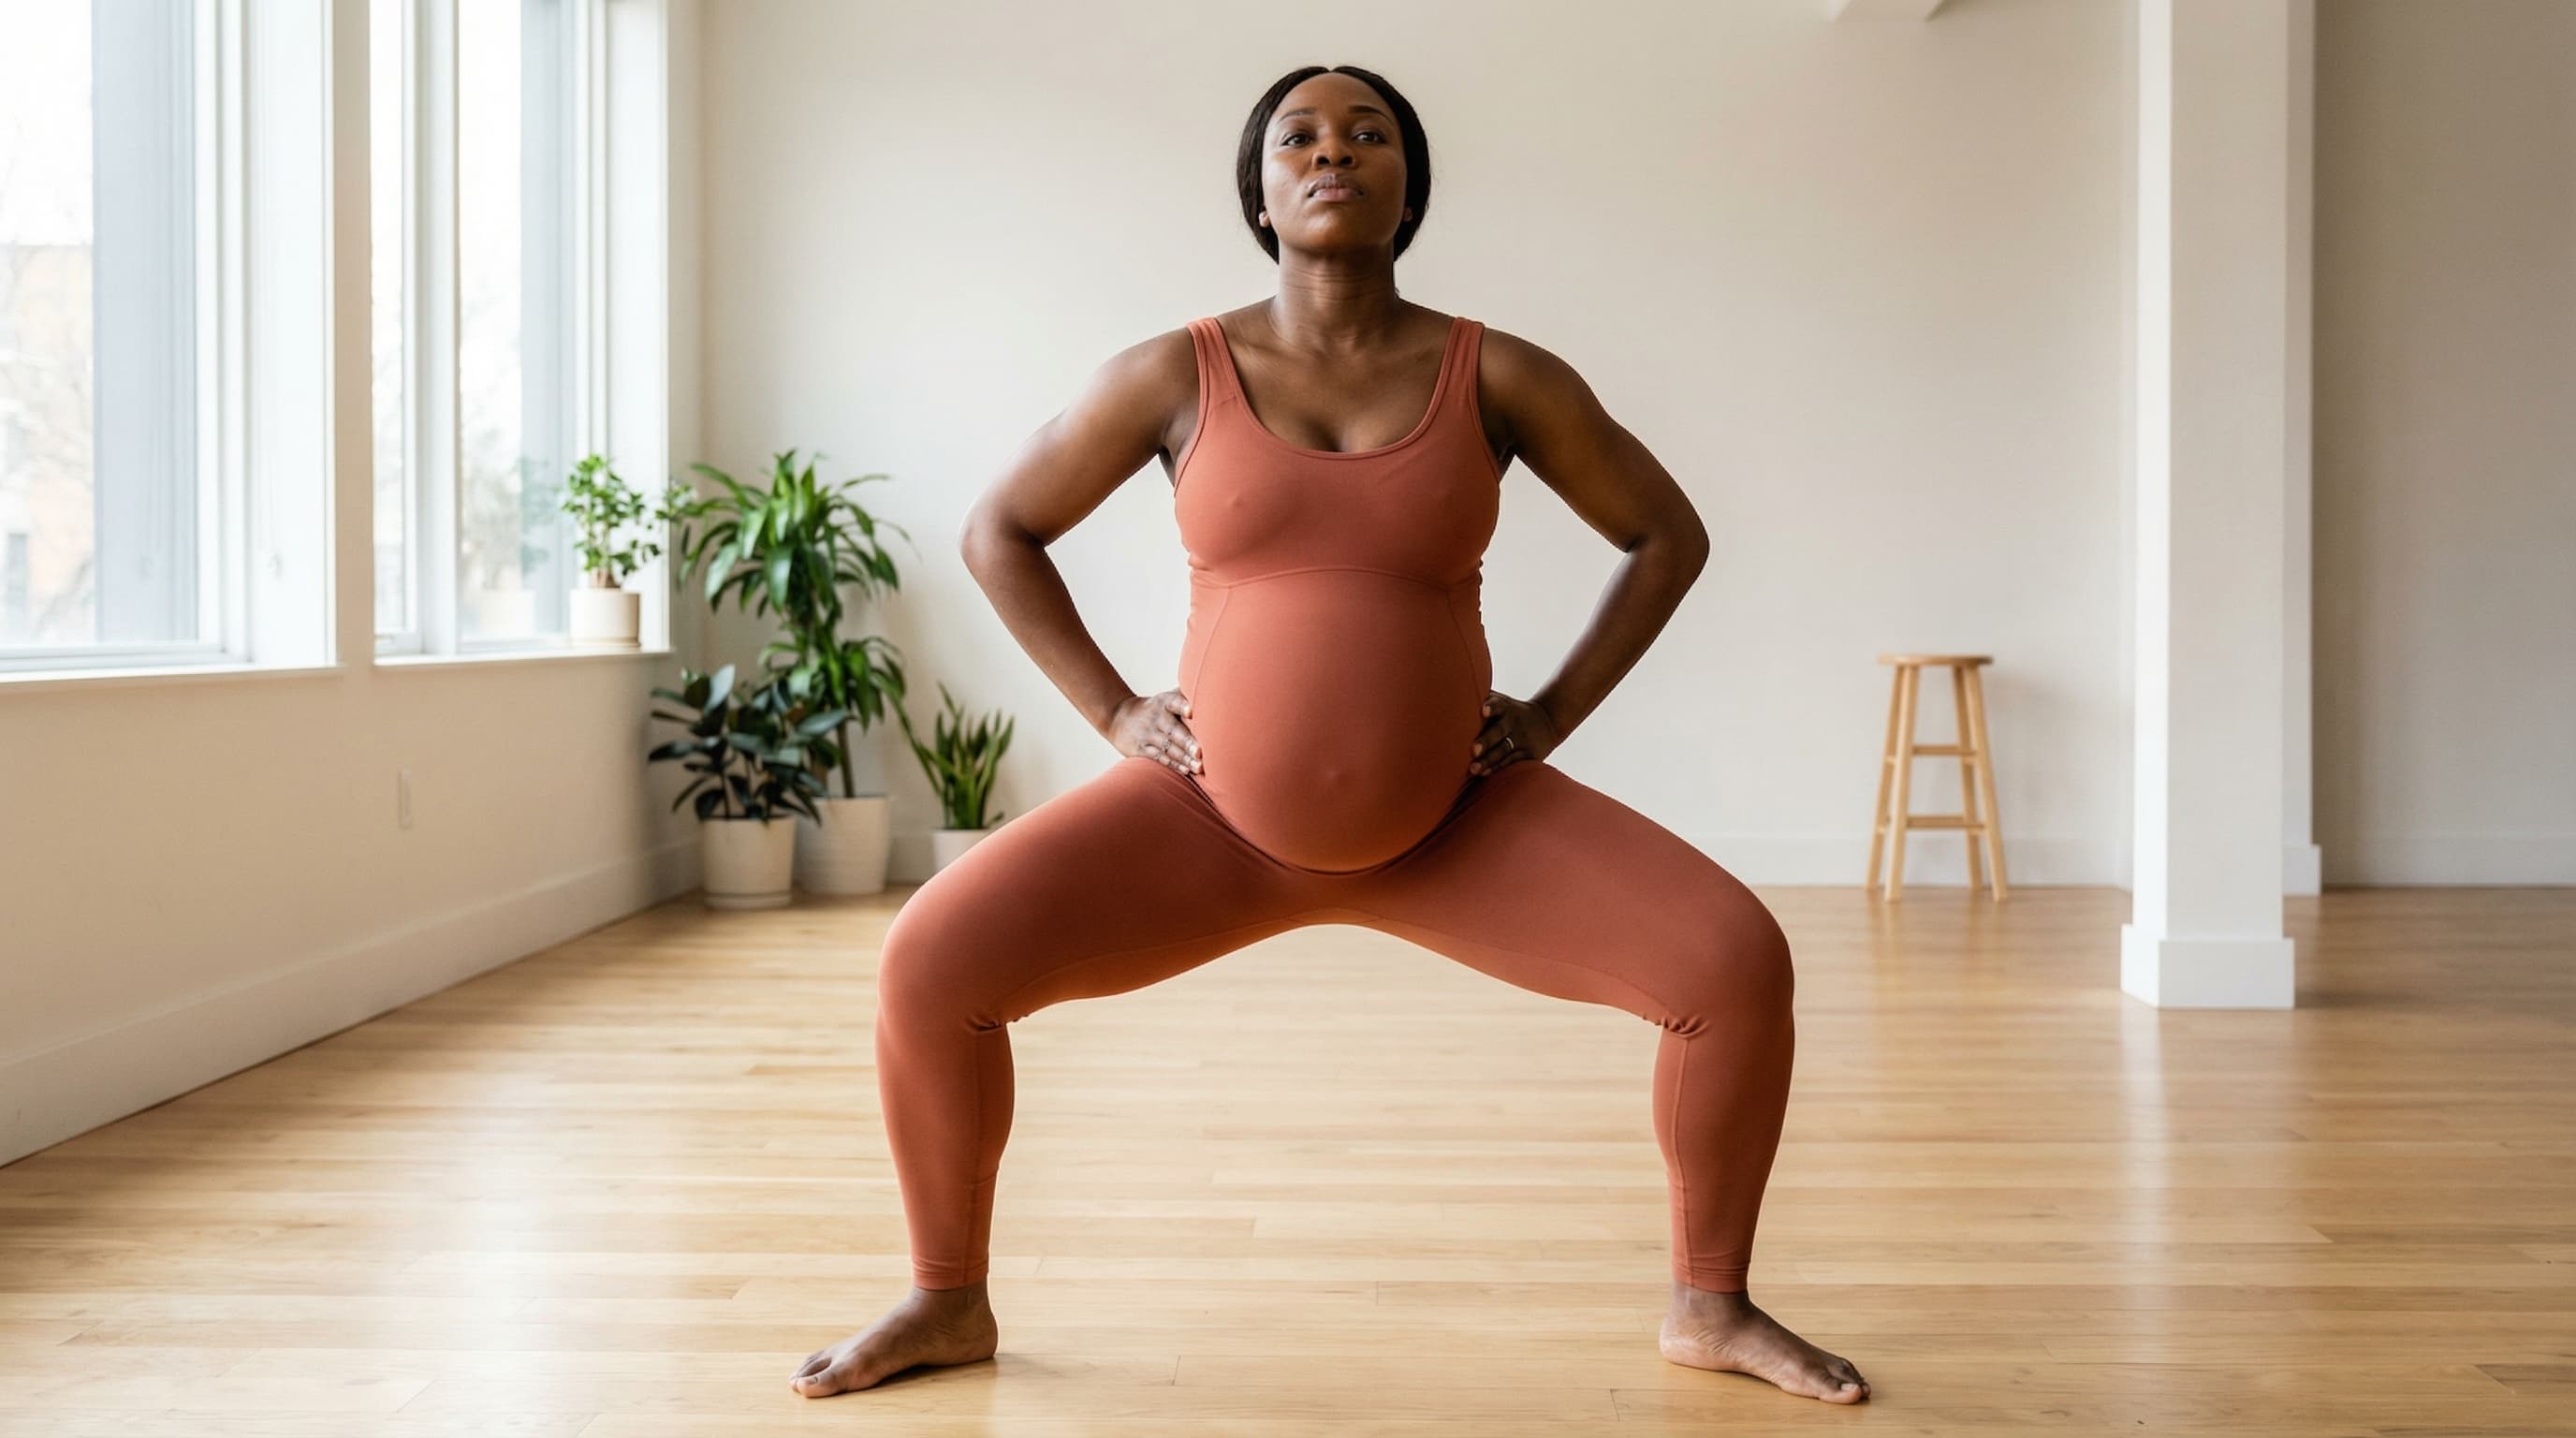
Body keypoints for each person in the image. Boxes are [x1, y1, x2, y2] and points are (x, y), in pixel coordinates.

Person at [791, 64, 1869, 1406]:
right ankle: (946, 1301)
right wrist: (1117, 711)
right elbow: (998, 531)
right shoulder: (1171, 373)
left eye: (1369, 135)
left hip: (1455, 829)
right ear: (1257, 187)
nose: (1333, 152)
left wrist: (1545, 717)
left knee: (1733, 964)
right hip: (1207, 826)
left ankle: (1712, 1308)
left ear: (1410, 184)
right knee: (930, 962)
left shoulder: (1502, 374)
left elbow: (1668, 537)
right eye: (1299, 135)